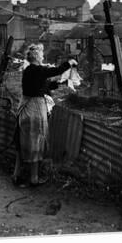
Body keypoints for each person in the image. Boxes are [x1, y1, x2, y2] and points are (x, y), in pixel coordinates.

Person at [13, 44, 77, 186]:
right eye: (41, 54)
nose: (43, 56)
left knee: (22, 143)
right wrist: (70, 63)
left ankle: (16, 175)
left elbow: (43, 86)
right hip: (34, 111)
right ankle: (34, 179)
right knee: (36, 143)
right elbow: (57, 70)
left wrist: (62, 82)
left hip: (25, 110)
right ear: (36, 57)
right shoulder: (37, 69)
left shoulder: (30, 70)